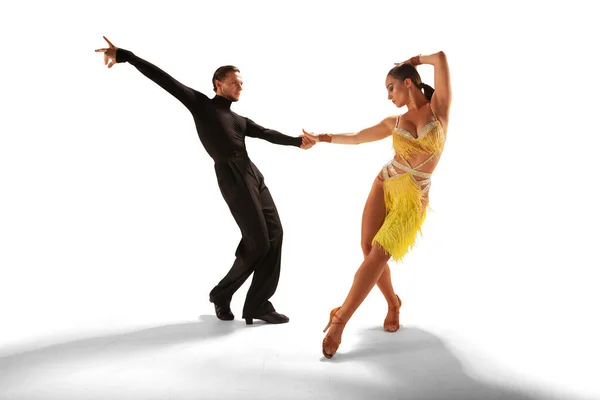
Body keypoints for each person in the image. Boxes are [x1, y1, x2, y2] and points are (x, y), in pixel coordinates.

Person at [95, 36, 315, 325]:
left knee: (275, 236)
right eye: (234, 81)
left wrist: (298, 142)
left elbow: (266, 133)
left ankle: (258, 305)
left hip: (253, 175)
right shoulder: (201, 105)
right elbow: (165, 79)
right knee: (258, 244)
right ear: (218, 83)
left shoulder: (239, 120)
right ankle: (221, 294)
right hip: (233, 178)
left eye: (241, 82)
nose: (240, 86)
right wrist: (126, 55)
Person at [302, 51, 451, 358]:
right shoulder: (394, 122)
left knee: (380, 253)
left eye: (391, 88)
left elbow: (441, 58)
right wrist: (322, 137)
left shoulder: (439, 109)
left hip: (413, 199)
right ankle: (393, 303)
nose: (388, 96)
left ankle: (340, 320)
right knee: (368, 249)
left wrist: (415, 59)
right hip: (384, 183)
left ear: (407, 83)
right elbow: (357, 137)